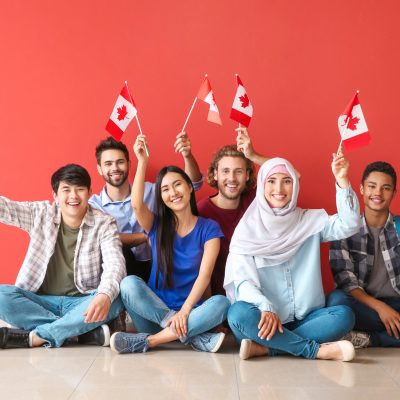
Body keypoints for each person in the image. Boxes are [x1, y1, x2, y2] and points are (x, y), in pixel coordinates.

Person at [225, 151, 360, 361]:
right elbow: (243, 283)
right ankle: (315, 350)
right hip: (264, 319)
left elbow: (350, 224)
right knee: (237, 314)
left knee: (344, 315)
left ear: (295, 186)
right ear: (262, 185)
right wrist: (265, 306)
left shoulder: (309, 221)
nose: (279, 189)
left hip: (308, 320)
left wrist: (342, 181)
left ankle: (268, 349)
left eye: (286, 181)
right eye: (271, 181)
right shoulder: (247, 231)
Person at [110, 134, 230, 354]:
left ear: (190, 187)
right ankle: (192, 336)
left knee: (222, 303)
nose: (173, 192)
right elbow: (137, 205)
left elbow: (205, 276)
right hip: (154, 315)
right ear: (161, 196)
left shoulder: (209, 228)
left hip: (192, 312)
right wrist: (143, 161)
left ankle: (150, 342)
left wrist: (185, 312)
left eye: (177, 185)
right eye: (165, 189)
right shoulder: (157, 225)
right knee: (128, 284)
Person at [0, 164, 125, 349]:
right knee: (2, 295)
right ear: (55, 195)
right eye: (66, 189)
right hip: (41, 301)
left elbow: (115, 264)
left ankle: (37, 336)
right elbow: (6, 209)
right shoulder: (40, 214)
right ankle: (82, 332)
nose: (73, 196)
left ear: (90, 192)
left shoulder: (104, 223)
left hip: (83, 302)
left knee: (117, 296)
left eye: (80, 189)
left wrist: (104, 296)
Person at [90, 133, 203, 282]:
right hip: (121, 270)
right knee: (120, 249)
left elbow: (194, 185)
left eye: (120, 162)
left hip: (160, 262)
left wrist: (187, 156)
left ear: (130, 164)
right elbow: (101, 239)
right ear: (99, 169)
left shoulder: (152, 190)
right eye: (108, 164)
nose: (115, 168)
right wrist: (145, 237)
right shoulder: (94, 205)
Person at [328, 161, 400, 348]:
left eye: (386, 188)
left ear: (394, 192)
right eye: (372, 186)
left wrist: (389, 309)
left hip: (397, 305)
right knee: (336, 302)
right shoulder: (344, 229)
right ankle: (388, 335)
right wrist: (380, 307)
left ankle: (368, 339)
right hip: (364, 305)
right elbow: (346, 282)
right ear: (361, 189)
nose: (378, 193)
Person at [197, 127, 268, 295]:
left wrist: (253, 156)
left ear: (248, 175)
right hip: (217, 299)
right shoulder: (201, 211)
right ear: (215, 174)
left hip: (255, 294)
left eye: (238, 172)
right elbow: (198, 267)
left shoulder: (254, 200)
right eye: (225, 171)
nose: (232, 179)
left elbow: (292, 176)